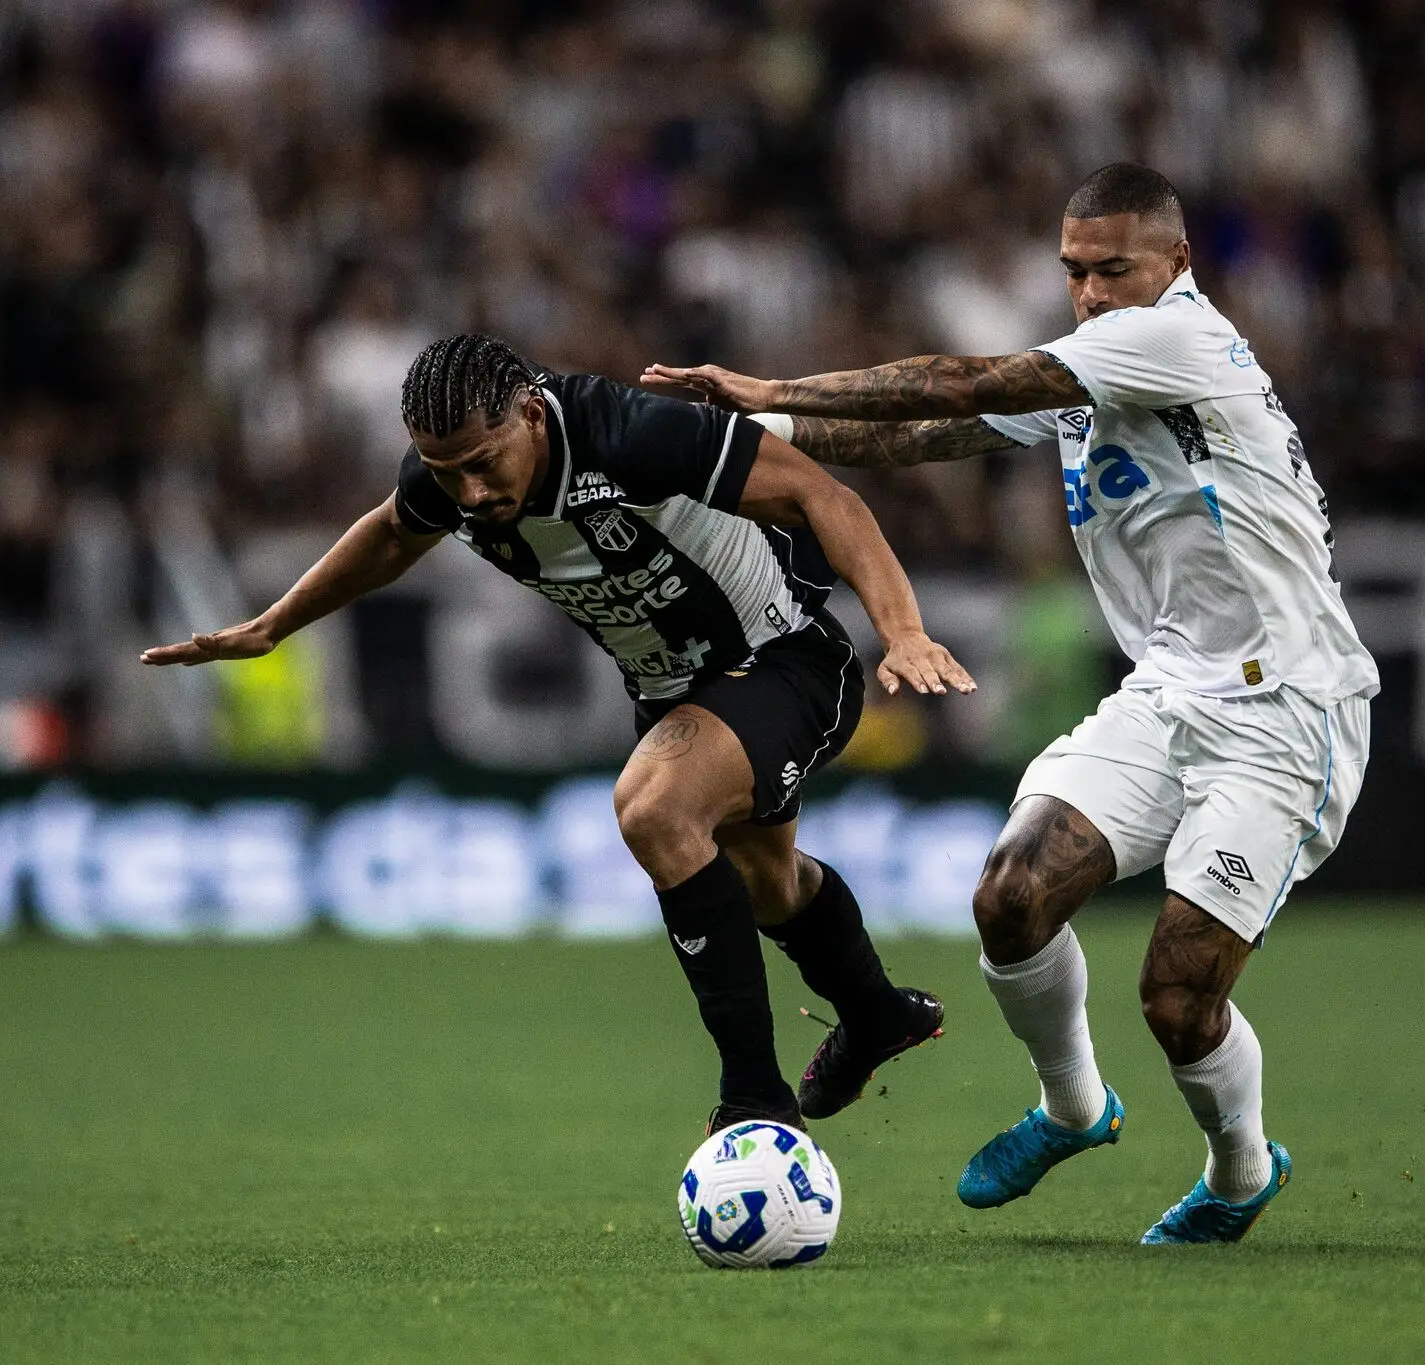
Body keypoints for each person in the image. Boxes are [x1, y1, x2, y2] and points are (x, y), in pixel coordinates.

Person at [643, 163, 1379, 1243]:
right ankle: (1073, 1110)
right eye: (1073, 271)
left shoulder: (1173, 338)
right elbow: (924, 436)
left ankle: (1235, 1172)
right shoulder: (1101, 364)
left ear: (1173, 264)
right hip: (1167, 692)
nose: (1087, 292)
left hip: (1285, 712)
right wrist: (756, 444)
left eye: (1111, 269)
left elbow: (958, 386)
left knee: (1175, 995)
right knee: (1011, 896)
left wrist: (774, 391)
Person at [144, 333, 973, 1132]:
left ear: (532, 417)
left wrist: (901, 630)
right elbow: (394, 531)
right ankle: (877, 1015)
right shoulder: (451, 475)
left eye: (481, 463)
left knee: (655, 809)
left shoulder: (631, 434)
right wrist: (275, 626)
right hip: (671, 689)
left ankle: (755, 1101)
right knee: (768, 883)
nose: (468, 493)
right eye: (446, 472)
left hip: (784, 657)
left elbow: (821, 495)